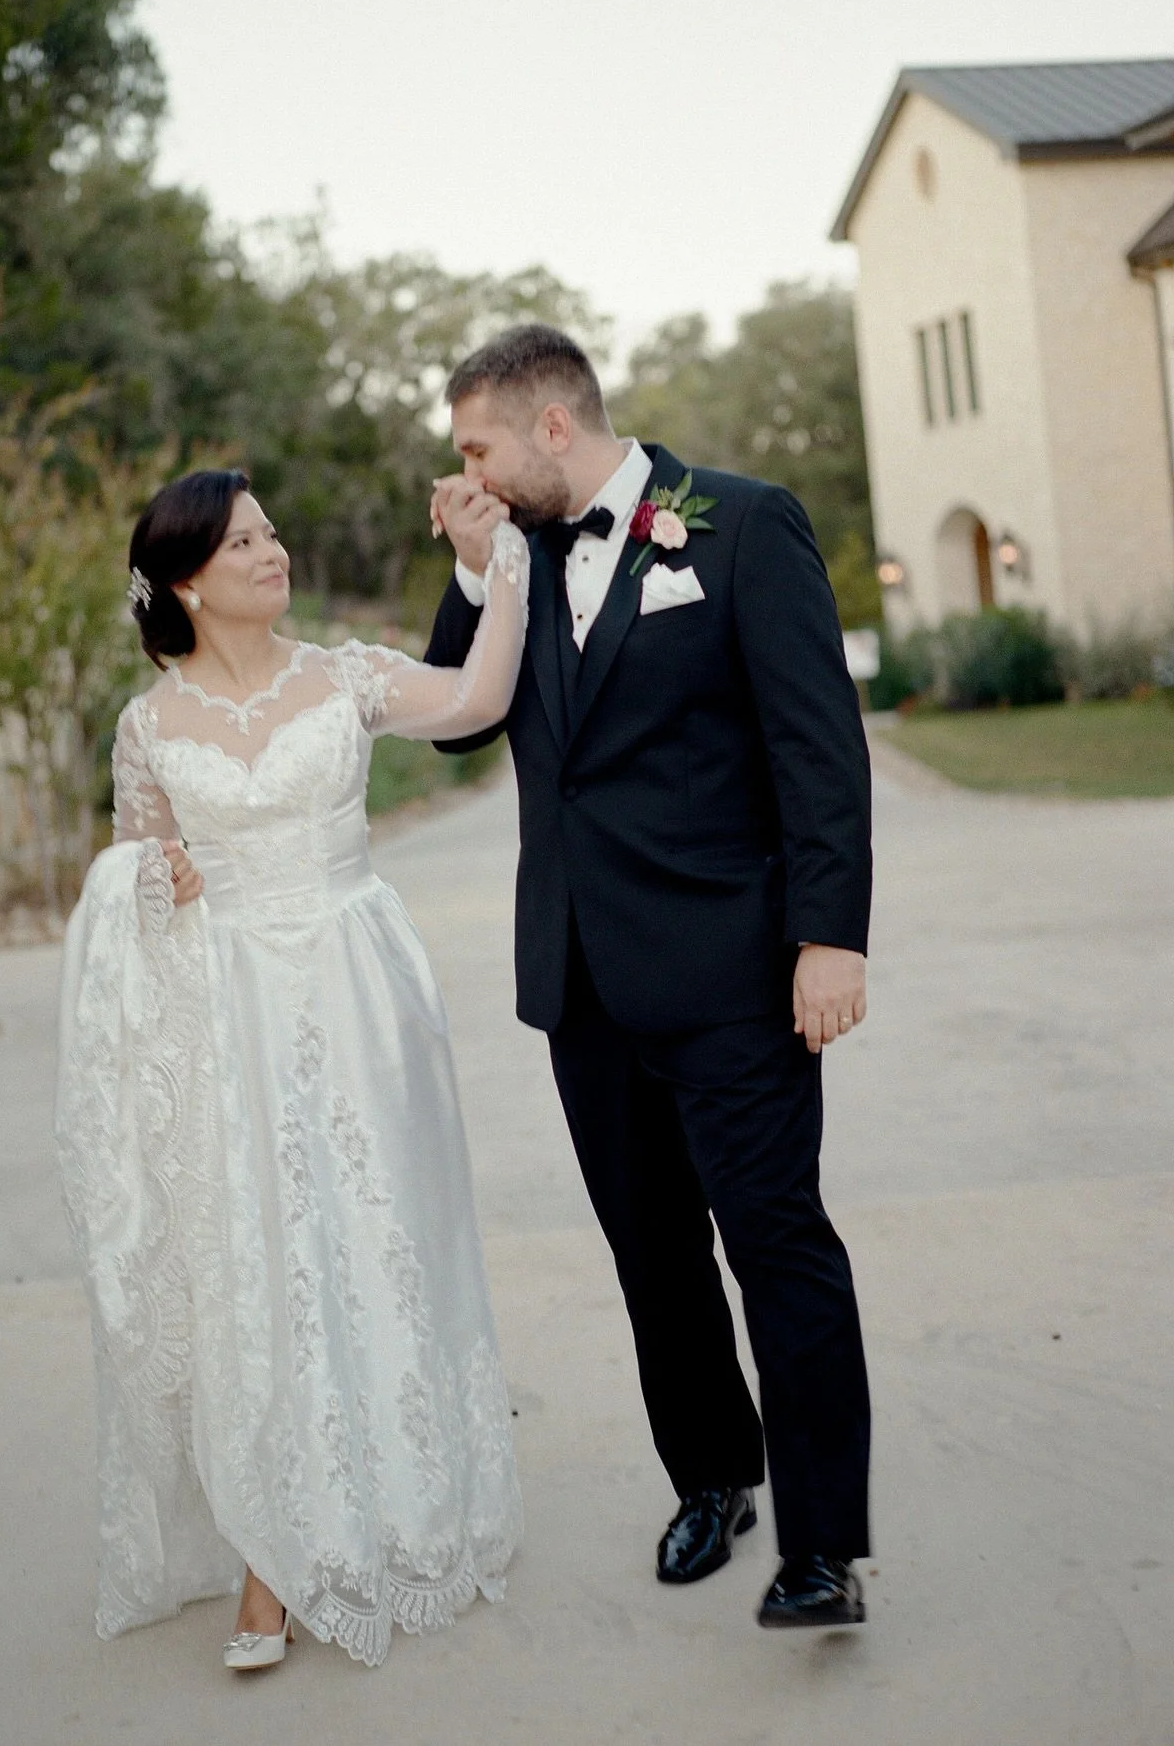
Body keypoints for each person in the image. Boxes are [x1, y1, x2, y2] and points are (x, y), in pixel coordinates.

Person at [424, 324, 874, 1629]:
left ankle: (823, 1545)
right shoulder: (510, 555)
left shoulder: (738, 522)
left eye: (477, 449)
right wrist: (470, 570)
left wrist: (830, 932)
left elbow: (817, 742)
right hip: (581, 978)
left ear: (550, 425)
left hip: (736, 969)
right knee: (654, 1256)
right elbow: (462, 717)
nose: (468, 474)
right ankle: (714, 1475)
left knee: (775, 1242)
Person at [54, 468, 526, 1670]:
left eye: (273, 530)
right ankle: (269, 1558)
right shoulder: (149, 727)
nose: (274, 551)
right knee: (263, 1259)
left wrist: (498, 561)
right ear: (185, 581)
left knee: (375, 1237)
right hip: (231, 1015)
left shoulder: (346, 674)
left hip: (361, 991)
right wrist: (159, 883)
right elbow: (130, 882)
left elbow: (479, 694)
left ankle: (402, 1495)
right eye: (245, 540)